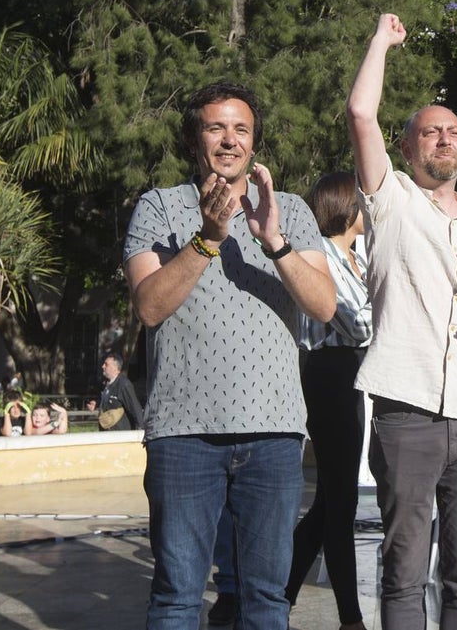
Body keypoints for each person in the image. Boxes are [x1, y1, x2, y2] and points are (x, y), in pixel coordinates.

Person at [123, 81, 336, 629]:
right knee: (176, 595)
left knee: (266, 598)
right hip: (183, 435)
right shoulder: (158, 207)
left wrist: (275, 242)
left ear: (254, 142)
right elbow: (149, 307)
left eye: (240, 129)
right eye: (215, 127)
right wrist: (207, 238)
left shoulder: (287, 209)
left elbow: (324, 304)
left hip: (273, 434)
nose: (228, 139)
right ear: (196, 140)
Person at [346, 14, 457, 630]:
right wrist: (382, 41)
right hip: (406, 410)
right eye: (430, 132)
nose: (444, 139)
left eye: (453, 131)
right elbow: (361, 113)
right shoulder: (390, 202)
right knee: (405, 568)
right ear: (408, 147)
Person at [284, 172, 372, 630]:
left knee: (331, 503)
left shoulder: (355, 256)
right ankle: (351, 618)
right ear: (348, 206)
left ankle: (281, 595)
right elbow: (357, 325)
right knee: (340, 503)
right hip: (329, 375)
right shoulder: (322, 255)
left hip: (353, 379)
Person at [98, 353, 144, 431]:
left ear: (115, 368)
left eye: (106, 364)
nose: (103, 366)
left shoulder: (124, 385)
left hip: (120, 436)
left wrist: (139, 433)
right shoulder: (106, 384)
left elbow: (135, 410)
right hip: (107, 435)